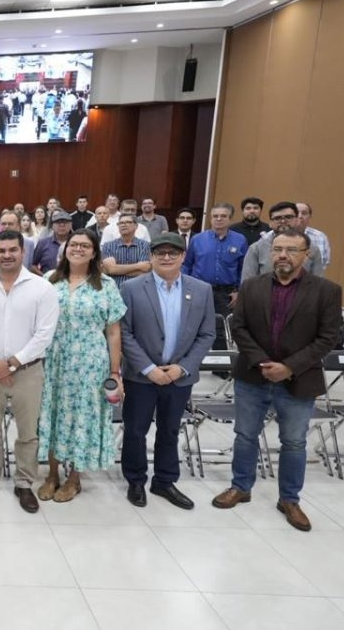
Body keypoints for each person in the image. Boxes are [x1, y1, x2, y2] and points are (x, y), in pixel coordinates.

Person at [212, 229, 343, 532]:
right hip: (252, 375)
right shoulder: (251, 286)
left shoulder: (327, 291)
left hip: (298, 379)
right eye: (278, 249)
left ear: (306, 254)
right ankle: (240, 486)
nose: (283, 255)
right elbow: (239, 327)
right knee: (245, 435)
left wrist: (289, 367)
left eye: (292, 250)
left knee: (294, 442)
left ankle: (289, 499)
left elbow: (328, 337)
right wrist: (261, 361)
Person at [119, 233, 216, 509]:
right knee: (136, 430)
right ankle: (136, 479)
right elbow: (124, 332)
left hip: (179, 377)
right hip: (141, 376)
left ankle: (164, 480)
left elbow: (207, 334)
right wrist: (149, 368)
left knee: (170, 430)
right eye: (160, 252)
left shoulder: (201, 290)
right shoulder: (132, 288)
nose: (166, 257)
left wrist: (183, 368)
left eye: (173, 252)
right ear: (151, 256)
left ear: (183, 256)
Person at [0, 231, 60, 513]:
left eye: (12, 250)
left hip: (28, 372)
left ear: (23, 252)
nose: (7, 255)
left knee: (28, 432)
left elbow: (45, 334)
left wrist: (14, 363)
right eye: (1, 250)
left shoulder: (42, 288)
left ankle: (24, 483)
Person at [35, 231, 126, 503]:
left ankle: (74, 479)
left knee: (81, 418)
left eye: (85, 245)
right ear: (65, 250)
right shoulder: (49, 280)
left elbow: (113, 332)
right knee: (51, 414)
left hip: (90, 364)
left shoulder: (106, 285)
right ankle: (51, 475)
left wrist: (114, 371)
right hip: (54, 360)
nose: (78, 249)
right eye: (73, 245)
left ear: (94, 252)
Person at [184, 202, 248, 351]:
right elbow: (187, 264)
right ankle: (193, 361)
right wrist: (185, 288)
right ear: (210, 219)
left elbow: (242, 268)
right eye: (215, 216)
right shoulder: (197, 239)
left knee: (221, 328)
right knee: (194, 325)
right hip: (199, 290)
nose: (219, 219)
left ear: (230, 219)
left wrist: (238, 291)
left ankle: (220, 366)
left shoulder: (240, 240)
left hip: (225, 292)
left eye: (223, 216)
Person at [242, 202, 326, 281]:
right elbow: (247, 285)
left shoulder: (312, 249)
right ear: (270, 223)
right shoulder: (256, 249)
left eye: (288, 217)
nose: (283, 221)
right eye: (277, 218)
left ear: (297, 220)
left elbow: (318, 285)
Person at [101, 214, 152, 287]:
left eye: (128, 222)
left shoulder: (145, 245)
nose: (123, 225)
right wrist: (138, 266)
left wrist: (117, 269)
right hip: (115, 289)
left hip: (138, 288)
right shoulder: (108, 245)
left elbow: (144, 270)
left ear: (136, 226)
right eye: (121, 223)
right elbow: (111, 269)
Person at [0, 211, 33, 276]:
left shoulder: (29, 244)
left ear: (19, 226)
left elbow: (29, 268)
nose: (6, 226)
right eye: (3, 224)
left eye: (10, 224)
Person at [297, 202, 331, 269]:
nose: (300, 216)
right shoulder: (278, 234)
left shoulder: (320, 237)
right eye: (296, 213)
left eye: (304, 213)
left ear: (310, 217)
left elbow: (322, 265)